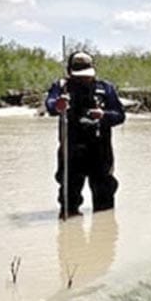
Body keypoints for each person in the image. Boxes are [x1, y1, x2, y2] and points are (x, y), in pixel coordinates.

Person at [45, 52, 126, 217]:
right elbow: (51, 106)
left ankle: (104, 233)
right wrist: (59, 105)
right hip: (71, 150)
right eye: (79, 76)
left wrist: (104, 115)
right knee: (68, 199)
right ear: (70, 72)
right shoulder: (62, 87)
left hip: (100, 151)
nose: (84, 80)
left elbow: (120, 115)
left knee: (104, 198)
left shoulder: (105, 88)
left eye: (86, 76)